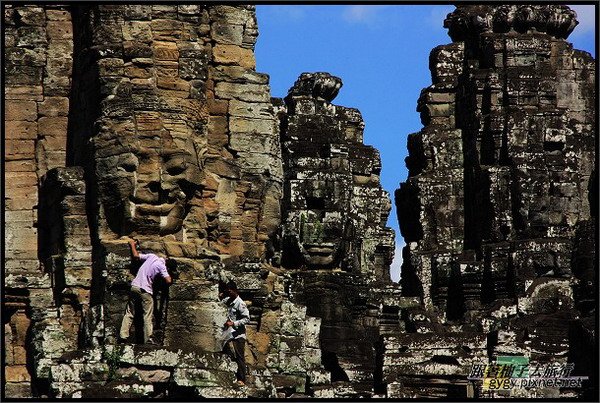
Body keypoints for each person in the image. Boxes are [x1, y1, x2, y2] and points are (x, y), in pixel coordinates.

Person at [119, 239, 174, 344]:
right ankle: (148, 339)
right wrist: (169, 274)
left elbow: (136, 256)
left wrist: (132, 245)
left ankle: (123, 336)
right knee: (147, 315)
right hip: (145, 290)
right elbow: (168, 280)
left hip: (134, 286)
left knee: (129, 312)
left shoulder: (152, 257)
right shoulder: (162, 266)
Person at [220, 281, 250, 385]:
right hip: (228, 332)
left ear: (235, 290)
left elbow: (247, 318)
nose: (229, 293)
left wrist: (234, 323)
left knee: (239, 356)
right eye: (227, 292)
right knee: (222, 348)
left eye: (230, 291)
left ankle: (242, 379)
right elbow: (221, 305)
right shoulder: (228, 300)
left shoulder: (240, 303)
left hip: (238, 333)